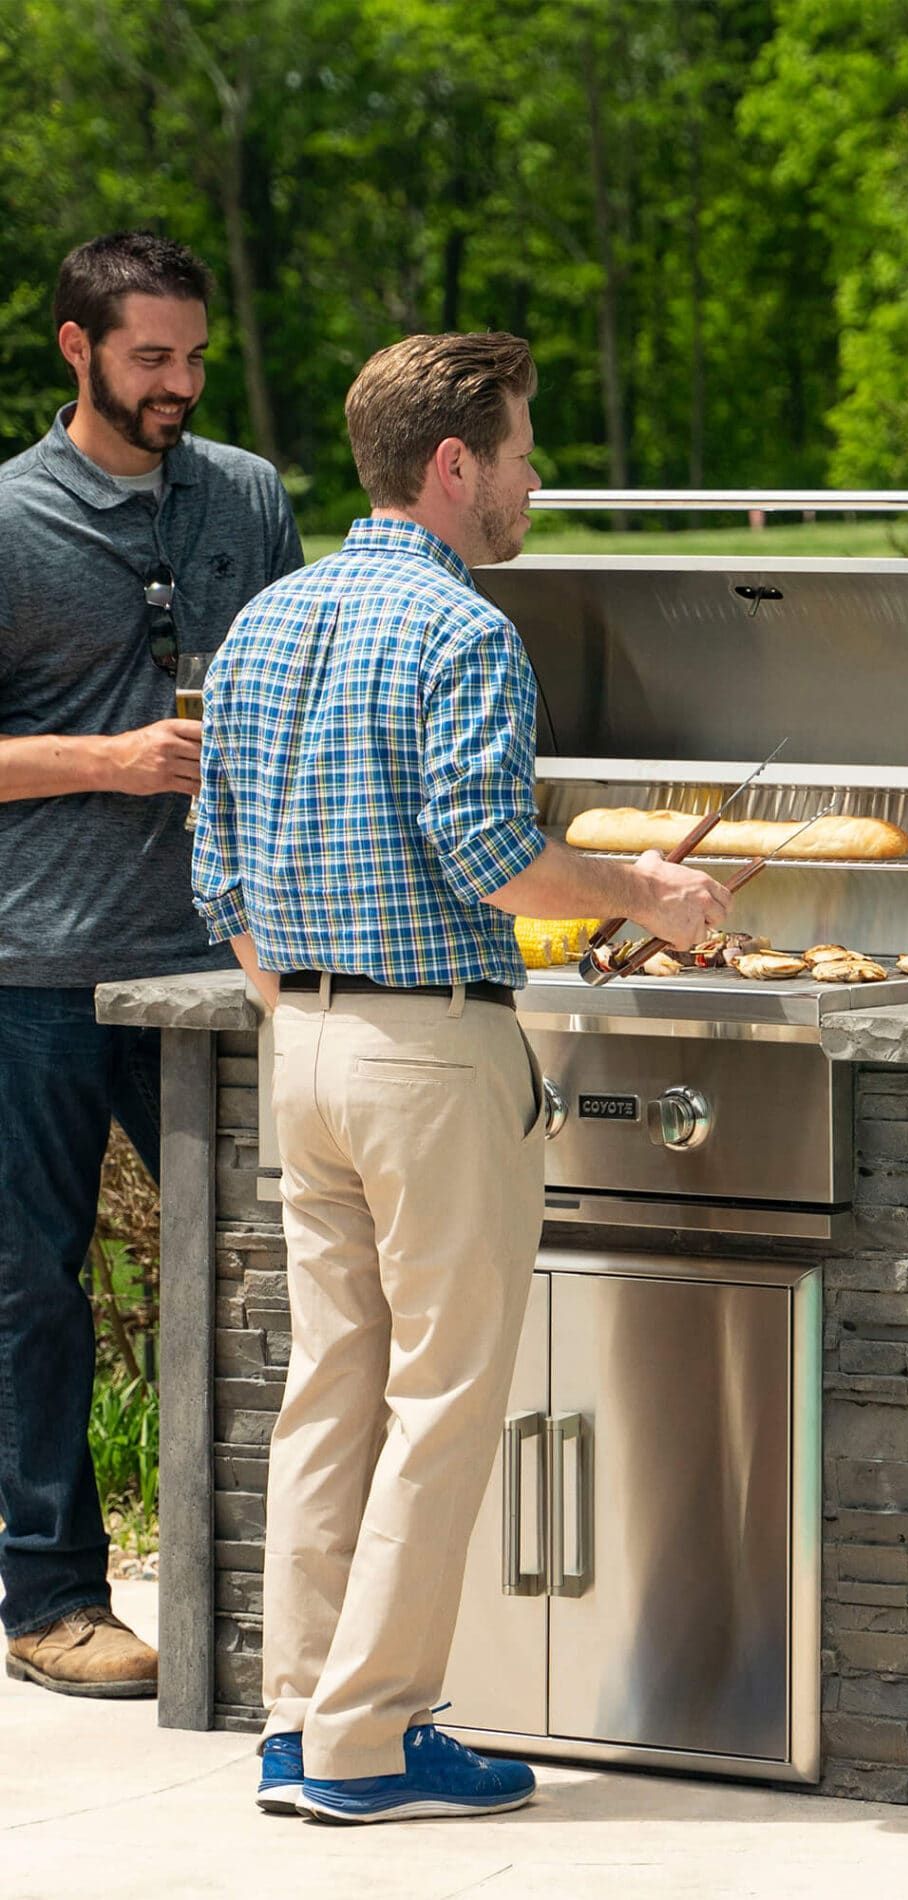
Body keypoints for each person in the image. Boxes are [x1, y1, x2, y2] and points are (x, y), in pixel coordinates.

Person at [192, 331, 729, 1823]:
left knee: (332, 1395)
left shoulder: (264, 622)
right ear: (455, 466)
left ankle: (305, 1724)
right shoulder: (460, 631)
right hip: (428, 1049)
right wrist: (645, 892)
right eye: (521, 448)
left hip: (297, 1041)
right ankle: (370, 1740)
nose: (531, 477)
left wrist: (304, 1003)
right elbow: (492, 855)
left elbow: (214, 868)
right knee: (439, 1400)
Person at [0, 232, 302, 1698]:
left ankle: (260, 1582)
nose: (180, 383)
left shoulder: (243, 494)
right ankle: (52, 1598)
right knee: (35, 1289)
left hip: (226, 961)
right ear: (76, 348)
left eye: (194, 357)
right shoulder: (6, 522)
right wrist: (110, 761)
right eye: (150, 360)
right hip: (40, 968)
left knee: (270, 1269)